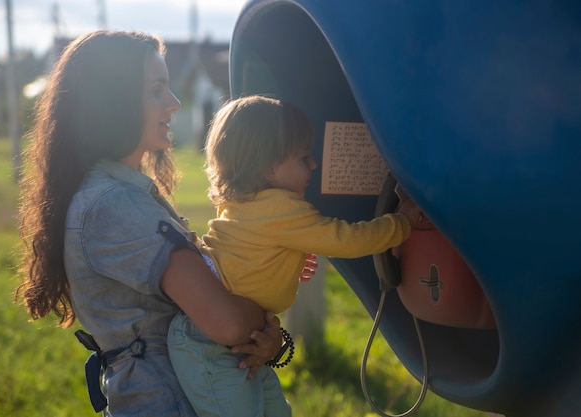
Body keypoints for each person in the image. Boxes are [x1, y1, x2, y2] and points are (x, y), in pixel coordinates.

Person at [15, 30, 285, 417]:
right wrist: (269, 328)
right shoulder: (115, 204)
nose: (174, 104)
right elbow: (225, 321)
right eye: (157, 90)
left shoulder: (121, 194)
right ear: (114, 101)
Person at [167, 95, 421, 417]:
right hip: (209, 345)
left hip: (222, 337)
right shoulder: (281, 207)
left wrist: (288, 262)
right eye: (303, 157)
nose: (313, 164)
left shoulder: (244, 202)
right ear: (268, 166)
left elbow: (252, 254)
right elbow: (346, 239)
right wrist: (402, 223)